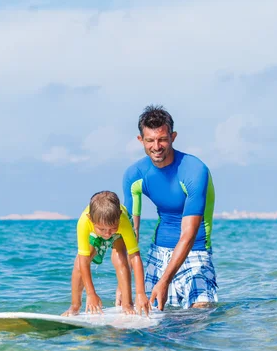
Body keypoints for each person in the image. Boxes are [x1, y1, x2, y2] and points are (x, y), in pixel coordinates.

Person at [122, 105, 218, 311]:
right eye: (150, 140)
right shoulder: (135, 174)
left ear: (173, 137)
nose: (156, 146)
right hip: (158, 253)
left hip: (195, 251)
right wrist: (125, 286)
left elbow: (189, 234)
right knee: (151, 322)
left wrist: (165, 281)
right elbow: (131, 233)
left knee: (199, 314)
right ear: (141, 140)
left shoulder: (194, 170)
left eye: (162, 139)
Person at [62, 191, 150, 316]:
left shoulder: (122, 221)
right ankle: (75, 306)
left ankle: (127, 304)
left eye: (112, 228)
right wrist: (91, 293)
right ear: (90, 219)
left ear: (119, 216)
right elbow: (83, 261)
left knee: (120, 258)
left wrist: (140, 293)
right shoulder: (84, 222)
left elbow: (135, 256)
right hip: (95, 232)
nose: (108, 233)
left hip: (119, 232)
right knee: (78, 264)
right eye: (102, 229)